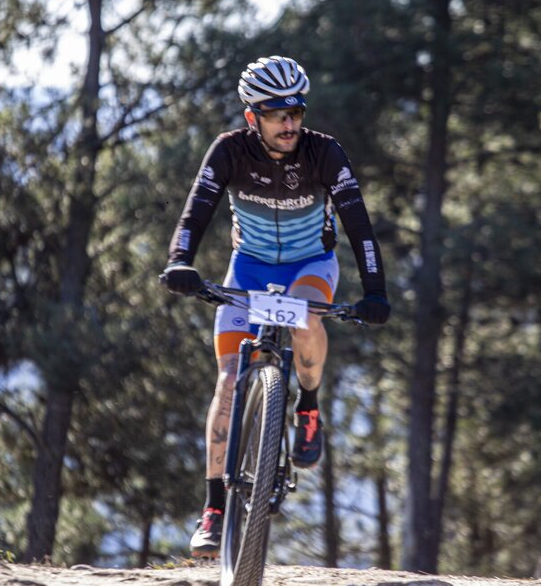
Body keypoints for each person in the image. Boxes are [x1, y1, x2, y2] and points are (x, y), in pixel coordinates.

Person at [161, 55, 390, 558]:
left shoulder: (324, 153)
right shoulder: (229, 151)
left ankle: (307, 406)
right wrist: (180, 261)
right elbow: (196, 210)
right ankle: (213, 509)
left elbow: (360, 227)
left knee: (306, 319)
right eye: (276, 115)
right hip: (248, 268)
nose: (289, 124)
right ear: (252, 117)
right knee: (227, 380)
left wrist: (375, 291)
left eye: (296, 113)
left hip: (311, 265)